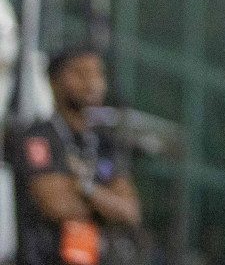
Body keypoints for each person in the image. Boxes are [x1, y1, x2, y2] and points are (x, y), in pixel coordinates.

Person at [15, 48, 140, 265]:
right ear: (54, 82)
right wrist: (106, 205)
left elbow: (130, 211)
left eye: (97, 74)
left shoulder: (105, 145)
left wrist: (84, 188)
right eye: (80, 73)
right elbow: (55, 205)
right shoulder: (39, 137)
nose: (91, 83)